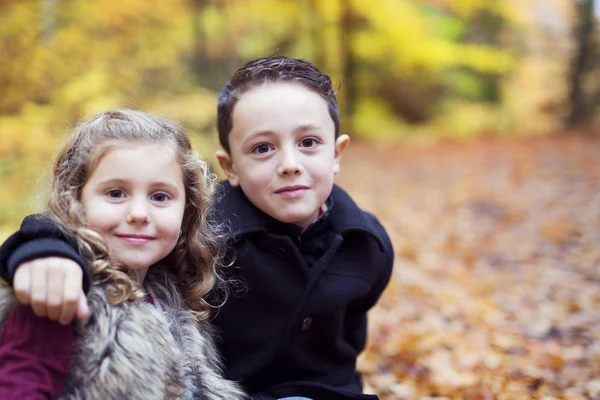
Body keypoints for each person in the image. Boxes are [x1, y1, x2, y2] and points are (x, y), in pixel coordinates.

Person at [0, 57, 395, 400]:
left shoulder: (366, 244)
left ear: (337, 152)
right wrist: (43, 249)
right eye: (262, 148)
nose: (289, 164)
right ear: (229, 166)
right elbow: (69, 233)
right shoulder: (206, 231)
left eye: (308, 142)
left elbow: (348, 337)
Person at [0, 110, 245, 400]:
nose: (139, 214)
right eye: (116, 193)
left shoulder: (175, 295)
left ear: (187, 209)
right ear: (75, 200)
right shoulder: (60, 291)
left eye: (160, 197)